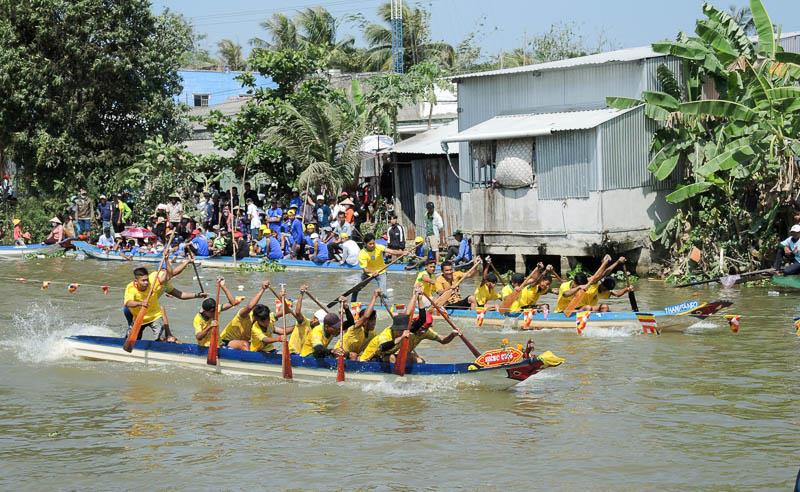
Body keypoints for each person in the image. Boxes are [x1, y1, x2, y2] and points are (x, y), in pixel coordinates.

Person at [123, 260, 206, 342]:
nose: (146, 283)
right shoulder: (154, 277)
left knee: (161, 338)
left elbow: (180, 294)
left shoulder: (161, 284)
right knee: (132, 339)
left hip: (153, 314)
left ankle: (165, 338)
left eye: (146, 280)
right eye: (143, 280)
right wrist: (140, 303)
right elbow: (128, 302)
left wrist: (197, 295)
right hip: (134, 312)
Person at [555, 255, 625, 312]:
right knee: (587, 308)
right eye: (579, 285)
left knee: (604, 307)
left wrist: (612, 262)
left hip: (579, 308)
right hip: (563, 311)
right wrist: (578, 288)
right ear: (574, 282)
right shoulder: (564, 286)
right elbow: (565, 294)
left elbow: (600, 275)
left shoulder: (589, 285)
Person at [219, 281, 271, 350]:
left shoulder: (264, 319)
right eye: (264, 321)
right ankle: (250, 359)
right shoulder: (244, 315)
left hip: (241, 342)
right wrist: (262, 289)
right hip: (226, 342)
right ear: (256, 318)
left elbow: (280, 328)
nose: (267, 323)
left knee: (259, 345)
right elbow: (249, 307)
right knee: (245, 344)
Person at [354, 233, 405, 302]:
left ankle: (385, 308)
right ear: (365, 244)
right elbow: (365, 270)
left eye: (373, 243)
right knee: (356, 289)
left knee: (383, 292)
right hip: (368, 273)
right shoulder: (362, 253)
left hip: (381, 271)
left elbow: (392, 251)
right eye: (370, 244)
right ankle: (353, 303)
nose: (372, 245)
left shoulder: (378, 247)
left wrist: (403, 253)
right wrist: (372, 272)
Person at [334, 289, 380, 359]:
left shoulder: (372, 334)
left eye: (374, 320)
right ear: (364, 322)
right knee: (354, 355)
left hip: (353, 355)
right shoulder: (356, 328)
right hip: (339, 353)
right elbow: (366, 316)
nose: (374, 323)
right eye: (372, 320)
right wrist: (374, 296)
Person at [194, 278, 239, 347]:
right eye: (212, 312)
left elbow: (232, 303)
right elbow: (198, 337)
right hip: (207, 347)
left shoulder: (216, 309)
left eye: (215, 311)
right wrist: (210, 327)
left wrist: (223, 286)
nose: (215, 313)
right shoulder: (198, 319)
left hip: (219, 344)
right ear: (205, 311)